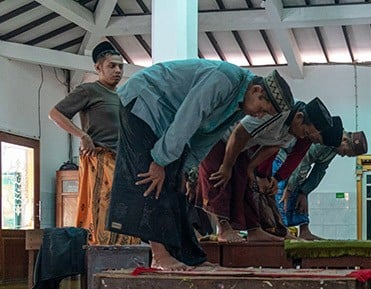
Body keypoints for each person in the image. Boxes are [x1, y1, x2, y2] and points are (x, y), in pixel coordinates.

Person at [106, 62, 293, 270]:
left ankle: (190, 257)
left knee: (176, 183)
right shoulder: (224, 79)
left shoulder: (240, 103)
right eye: (262, 109)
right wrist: (160, 161)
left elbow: (206, 136)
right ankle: (159, 255)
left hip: (167, 117)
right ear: (256, 91)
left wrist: (185, 168)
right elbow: (189, 116)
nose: (259, 115)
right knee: (150, 178)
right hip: (143, 100)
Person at [197, 98, 342, 242]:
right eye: (307, 133)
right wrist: (229, 167)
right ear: (299, 118)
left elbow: (272, 148)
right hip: (219, 135)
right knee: (220, 178)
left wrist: (256, 171)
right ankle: (223, 228)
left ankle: (254, 231)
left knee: (245, 185)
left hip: (243, 146)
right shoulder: (276, 114)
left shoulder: (293, 130)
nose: (305, 137)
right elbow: (238, 134)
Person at [48, 42, 138, 245]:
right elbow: (55, 113)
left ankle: (125, 261)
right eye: (112, 66)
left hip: (123, 161)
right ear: (98, 67)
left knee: (125, 213)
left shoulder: (122, 96)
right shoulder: (89, 91)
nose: (117, 71)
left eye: (120, 67)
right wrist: (82, 135)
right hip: (100, 160)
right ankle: (102, 261)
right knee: (102, 213)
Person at [276, 130, 368, 239]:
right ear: (344, 140)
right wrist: (290, 189)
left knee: (301, 192)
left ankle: (304, 231)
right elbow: (302, 161)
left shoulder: (334, 149)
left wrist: (304, 192)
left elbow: (319, 171)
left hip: (298, 164)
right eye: (345, 152)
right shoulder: (328, 137)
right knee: (281, 192)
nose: (343, 155)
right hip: (283, 158)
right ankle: (281, 230)